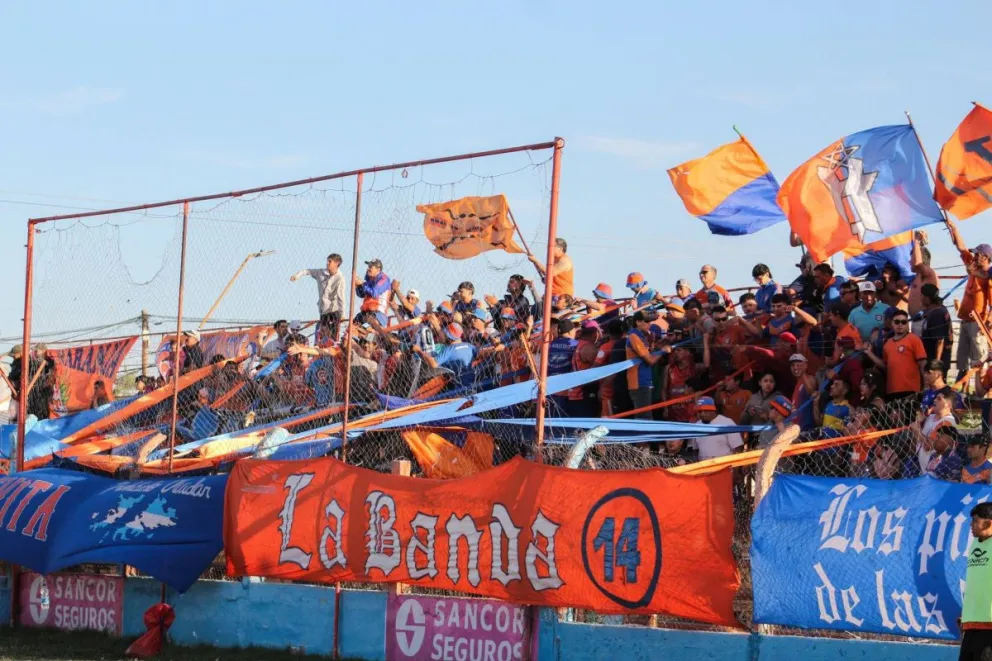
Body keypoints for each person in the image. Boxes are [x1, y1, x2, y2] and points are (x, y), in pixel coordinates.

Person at [948, 220, 992, 373]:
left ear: (985, 257)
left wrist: (988, 324)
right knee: (962, 360)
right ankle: (963, 391)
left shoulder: (988, 276)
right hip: (966, 320)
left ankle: (978, 394)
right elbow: (961, 248)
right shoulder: (973, 265)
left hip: (978, 323)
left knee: (977, 360)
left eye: (977, 254)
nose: (974, 256)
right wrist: (954, 229)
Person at [864, 308, 926, 401]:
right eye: (897, 322)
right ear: (892, 323)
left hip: (911, 389)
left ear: (907, 324)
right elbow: (885, 366)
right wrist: (869, 353)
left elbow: (923, 363)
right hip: (891, 390)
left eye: (903, 322)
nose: (900, 324)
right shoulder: (887, 343)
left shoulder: (914, 339)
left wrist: (926, 385)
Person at [960, 501, 992, 660]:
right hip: (972, 622)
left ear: (988, 523)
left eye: (975, 521)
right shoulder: (975, 544)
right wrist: (966, 614)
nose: (971, 525)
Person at [291, 253, 346, 333]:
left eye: (330, 261)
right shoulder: (320, 273)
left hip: (334, 311)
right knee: (323, 335)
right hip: (323, 310)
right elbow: (307, 271)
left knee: (332, 335)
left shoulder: (340, 278)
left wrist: (342, 314)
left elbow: (341, 297)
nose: (327, 263)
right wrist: (297, 276)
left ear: (337, 263)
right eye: (327, 261)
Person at [625, 310, 664, 418]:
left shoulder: (641, 336)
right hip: (639, 382)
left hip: (644, 381)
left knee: (645, 416)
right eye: (646, 322)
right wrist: (663, 351)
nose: (649, 325)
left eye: (650, 322)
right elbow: (650, 360)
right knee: (644, 418)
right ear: (638, 322)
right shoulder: (634, 336)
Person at [908, 230, 939, 321]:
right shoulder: (917, 276)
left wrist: (916, 241)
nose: (909, 261)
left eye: (911, 258)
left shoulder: (928, 273)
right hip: (916, 321)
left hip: (925, 320)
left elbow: (917, 263)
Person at [919, 283, 952, 368]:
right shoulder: (941, 308)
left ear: (926, 298)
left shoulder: (936, 314)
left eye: (921, 296)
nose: (920, 299)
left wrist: (936, 364)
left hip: (935, 362)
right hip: (942, 358)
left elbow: (940, 341)